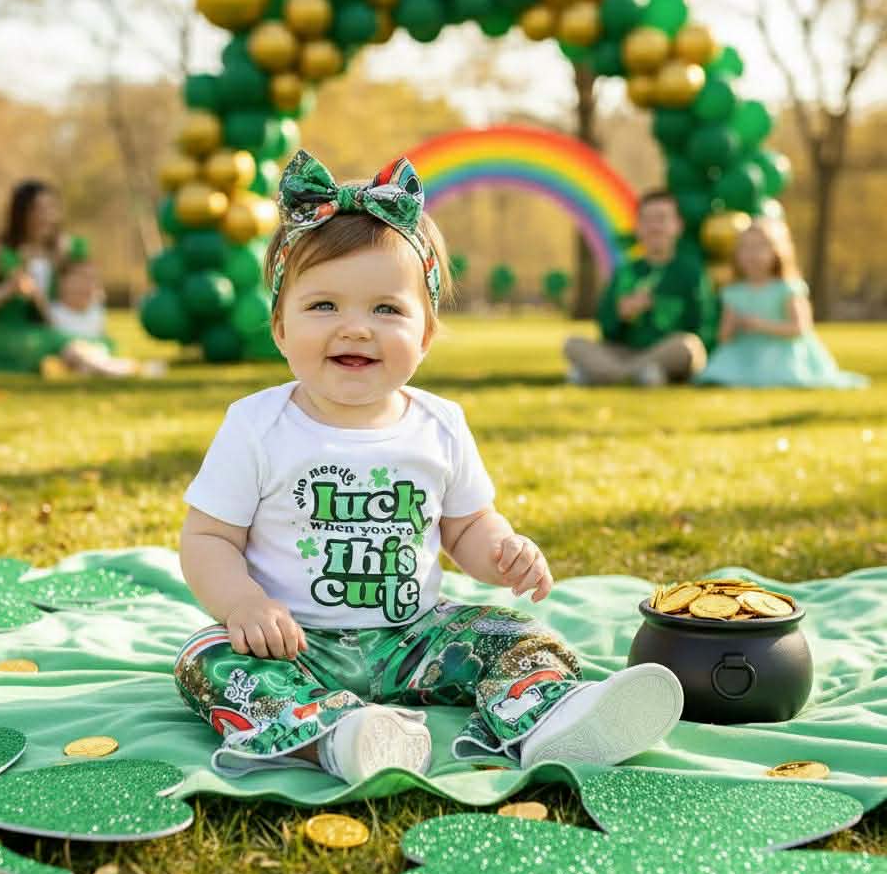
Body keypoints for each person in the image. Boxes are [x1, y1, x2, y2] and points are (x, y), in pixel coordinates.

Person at [174, 150, 684, 784]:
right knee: (207, 658)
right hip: (294, 643)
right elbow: (208, 538)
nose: (355, 329)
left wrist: (502, 551)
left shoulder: (439, 424)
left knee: (515, 633)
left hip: (416, 640)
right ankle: (336, 737)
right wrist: (243, 603)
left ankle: (549, 718)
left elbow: (466, 527)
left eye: (386, 310)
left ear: (426, 336)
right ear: (279, 328)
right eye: (324, 306)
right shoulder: (257, 425)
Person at [0, 179, 151, 378]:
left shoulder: (63, 250)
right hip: (8, 335)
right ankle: (113, 370)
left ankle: (83, 366)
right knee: (63, 345)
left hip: (51, 330)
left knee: (88, 344)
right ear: (20, 213)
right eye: (38, 209)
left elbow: (82, 294)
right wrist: (10, 288)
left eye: (51, 208)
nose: (47, 216)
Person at [563, 190, 717, 386]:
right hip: (626, 352)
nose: (654, 227)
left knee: (686, 345)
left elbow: (704, 328)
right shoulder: (625, 272)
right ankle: (637, 374)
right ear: (638, 227)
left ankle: (605, 375)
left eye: (661, 219)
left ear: (678, 225)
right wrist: (621, 315)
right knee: (572, 344)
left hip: (668, 353)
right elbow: (607, 331)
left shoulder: (691, 272)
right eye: (647, 220)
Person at [696, 217, 868, 389]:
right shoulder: (734, 292)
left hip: (781, 353)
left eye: (759, 247)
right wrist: (732, 326)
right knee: (720, 375)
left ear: (777, 251)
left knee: (781, 376)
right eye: (745, 248)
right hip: (745, 353)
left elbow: (800, 328)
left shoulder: (787, 288)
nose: (752, 255)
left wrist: (760, 325)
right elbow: (724, 336)